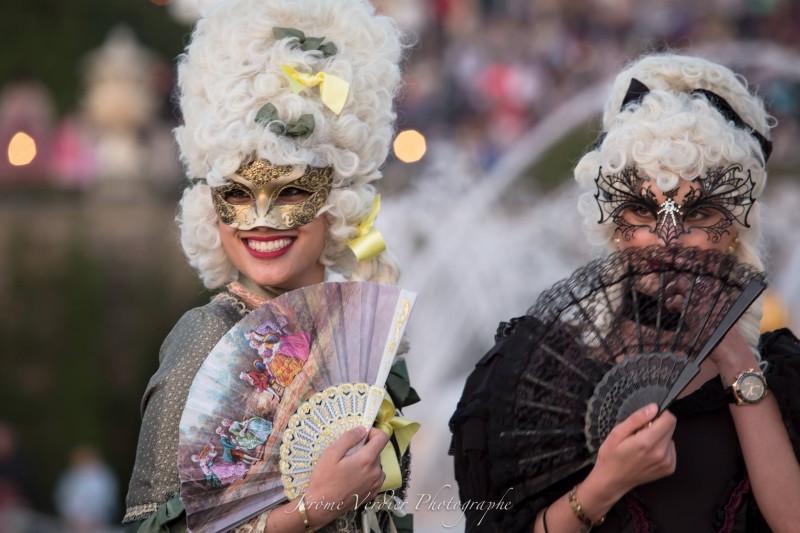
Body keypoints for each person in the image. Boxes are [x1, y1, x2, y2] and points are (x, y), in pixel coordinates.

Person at [450, 54, 800, 532]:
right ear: (615, 225)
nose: (669, 239)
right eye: (643, 211)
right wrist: (604, 485)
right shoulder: (533, 374)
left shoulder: (779, 380)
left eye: (698, 215)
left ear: (735, 230)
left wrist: (737, 362)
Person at [123, 1, 419, 531]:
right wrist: (314, 507)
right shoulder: (205, 338)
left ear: (337, 202)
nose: (261, 218)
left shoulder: (356, 337)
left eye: (293, 191)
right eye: (237, 192)